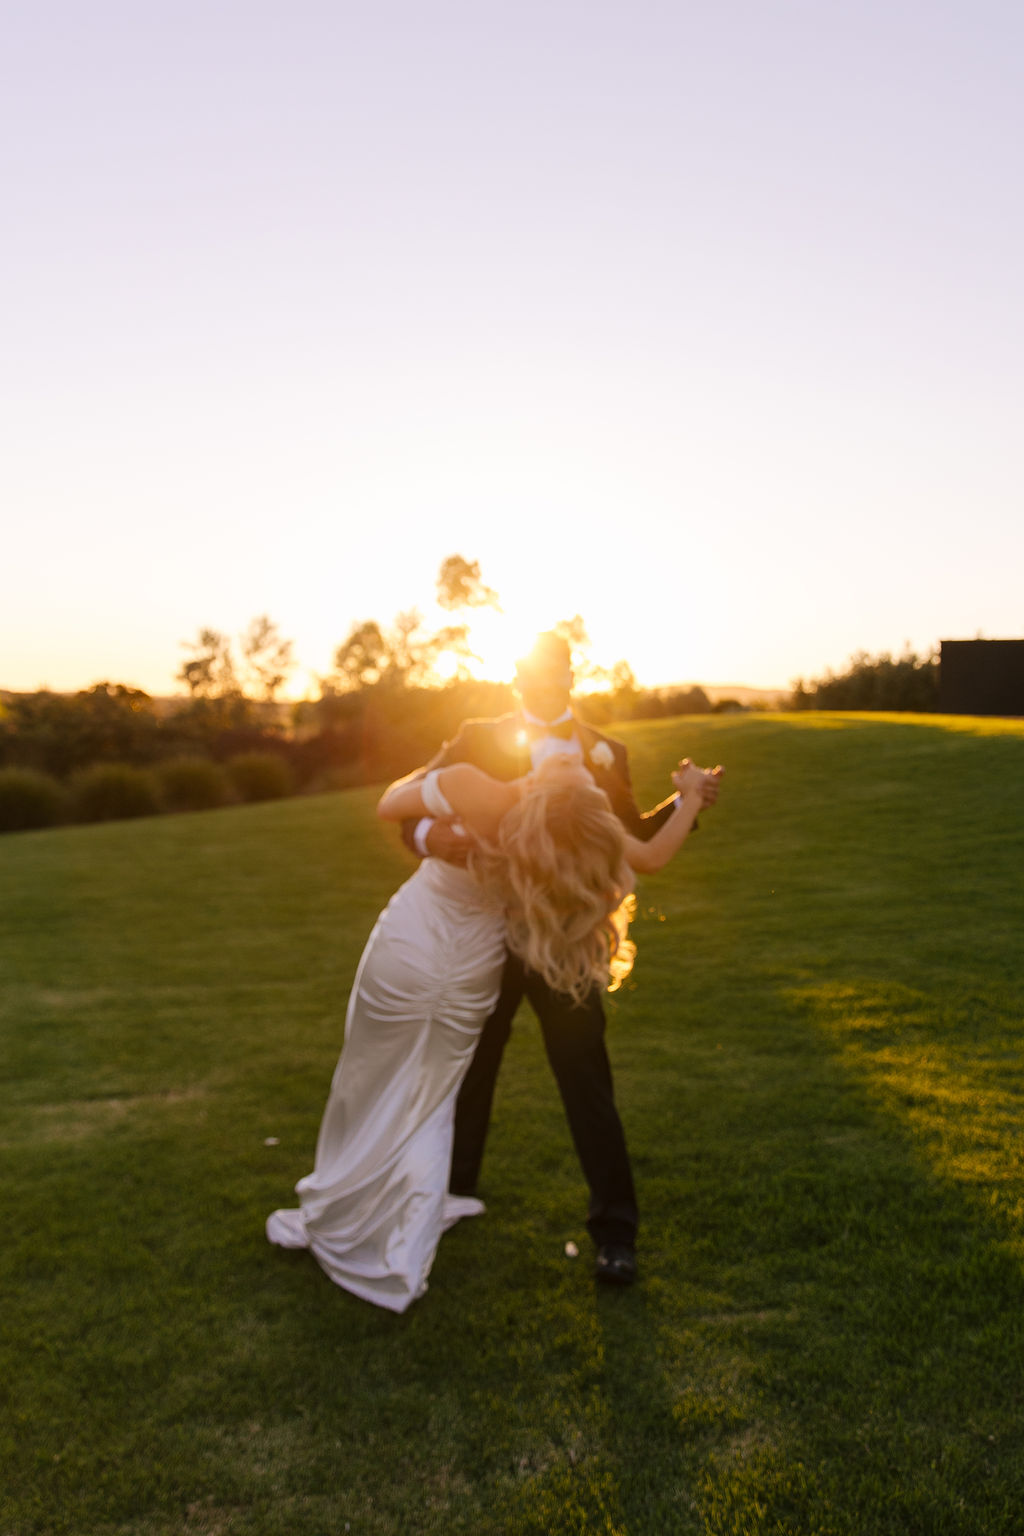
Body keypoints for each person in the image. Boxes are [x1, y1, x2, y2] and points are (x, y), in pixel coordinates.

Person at [266, 748, 713, 1312]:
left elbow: (391, 802)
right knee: (439, 1092)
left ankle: (371, 1201)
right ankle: (421, 1205)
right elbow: (647, 855)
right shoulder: (562, 820)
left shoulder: (481, 789)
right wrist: (691, 797)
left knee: (381, 1080)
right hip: (482, 962)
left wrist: (432, 793)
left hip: (432, 946)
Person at [401, 631, 722, 1286]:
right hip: (487, 934)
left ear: (570, 676)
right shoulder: (476, 739)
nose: (541, 682)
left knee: (586, 1081)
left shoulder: (607, 751)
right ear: (516, 677)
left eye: (553, 672)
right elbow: (409, 808)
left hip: (566, 941)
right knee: (470, 1067)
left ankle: (615, 1234)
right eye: (530, 672)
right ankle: (450, 1196)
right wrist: (441, 839)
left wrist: (686, 802)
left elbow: (629, 837)